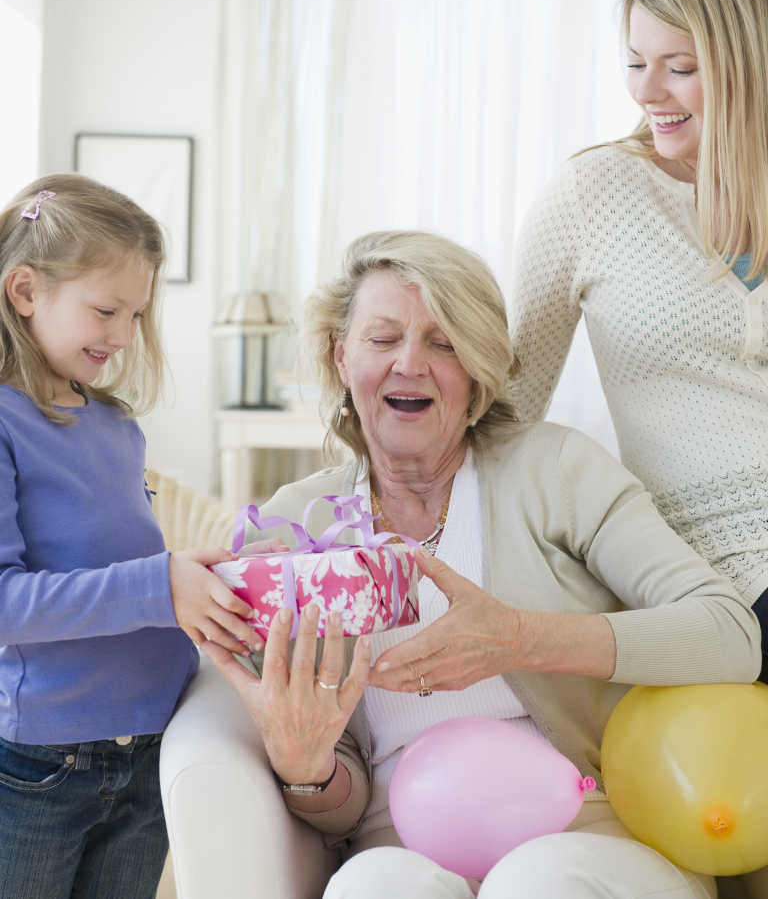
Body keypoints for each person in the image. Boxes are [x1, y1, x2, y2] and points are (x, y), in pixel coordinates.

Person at [204, 229, 761, 899]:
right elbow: (340, 804)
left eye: (444, 343)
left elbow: (731, 635)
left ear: (477, 374)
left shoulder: (554, 469)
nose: (411, 362)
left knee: (538, 882)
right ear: (342, 357)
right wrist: (306, 765)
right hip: (398, 836)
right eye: (384, 339)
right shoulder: (301, 523)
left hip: (588, 828)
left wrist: (518, 639)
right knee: (371, 887)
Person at [0, 174, 281, 899]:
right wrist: (162, 583)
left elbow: (130, 573)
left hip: (149, 750)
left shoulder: (118, 428)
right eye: (106, 310)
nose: (124, 336)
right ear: (25, 291)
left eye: (136, 313)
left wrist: (222, 580)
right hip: (38, 765)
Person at [507, 0, 768, 678]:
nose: (646, 91)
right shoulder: (596, 193)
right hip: (721, 570)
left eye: (680, 68)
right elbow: (507, 404)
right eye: (634, 62)